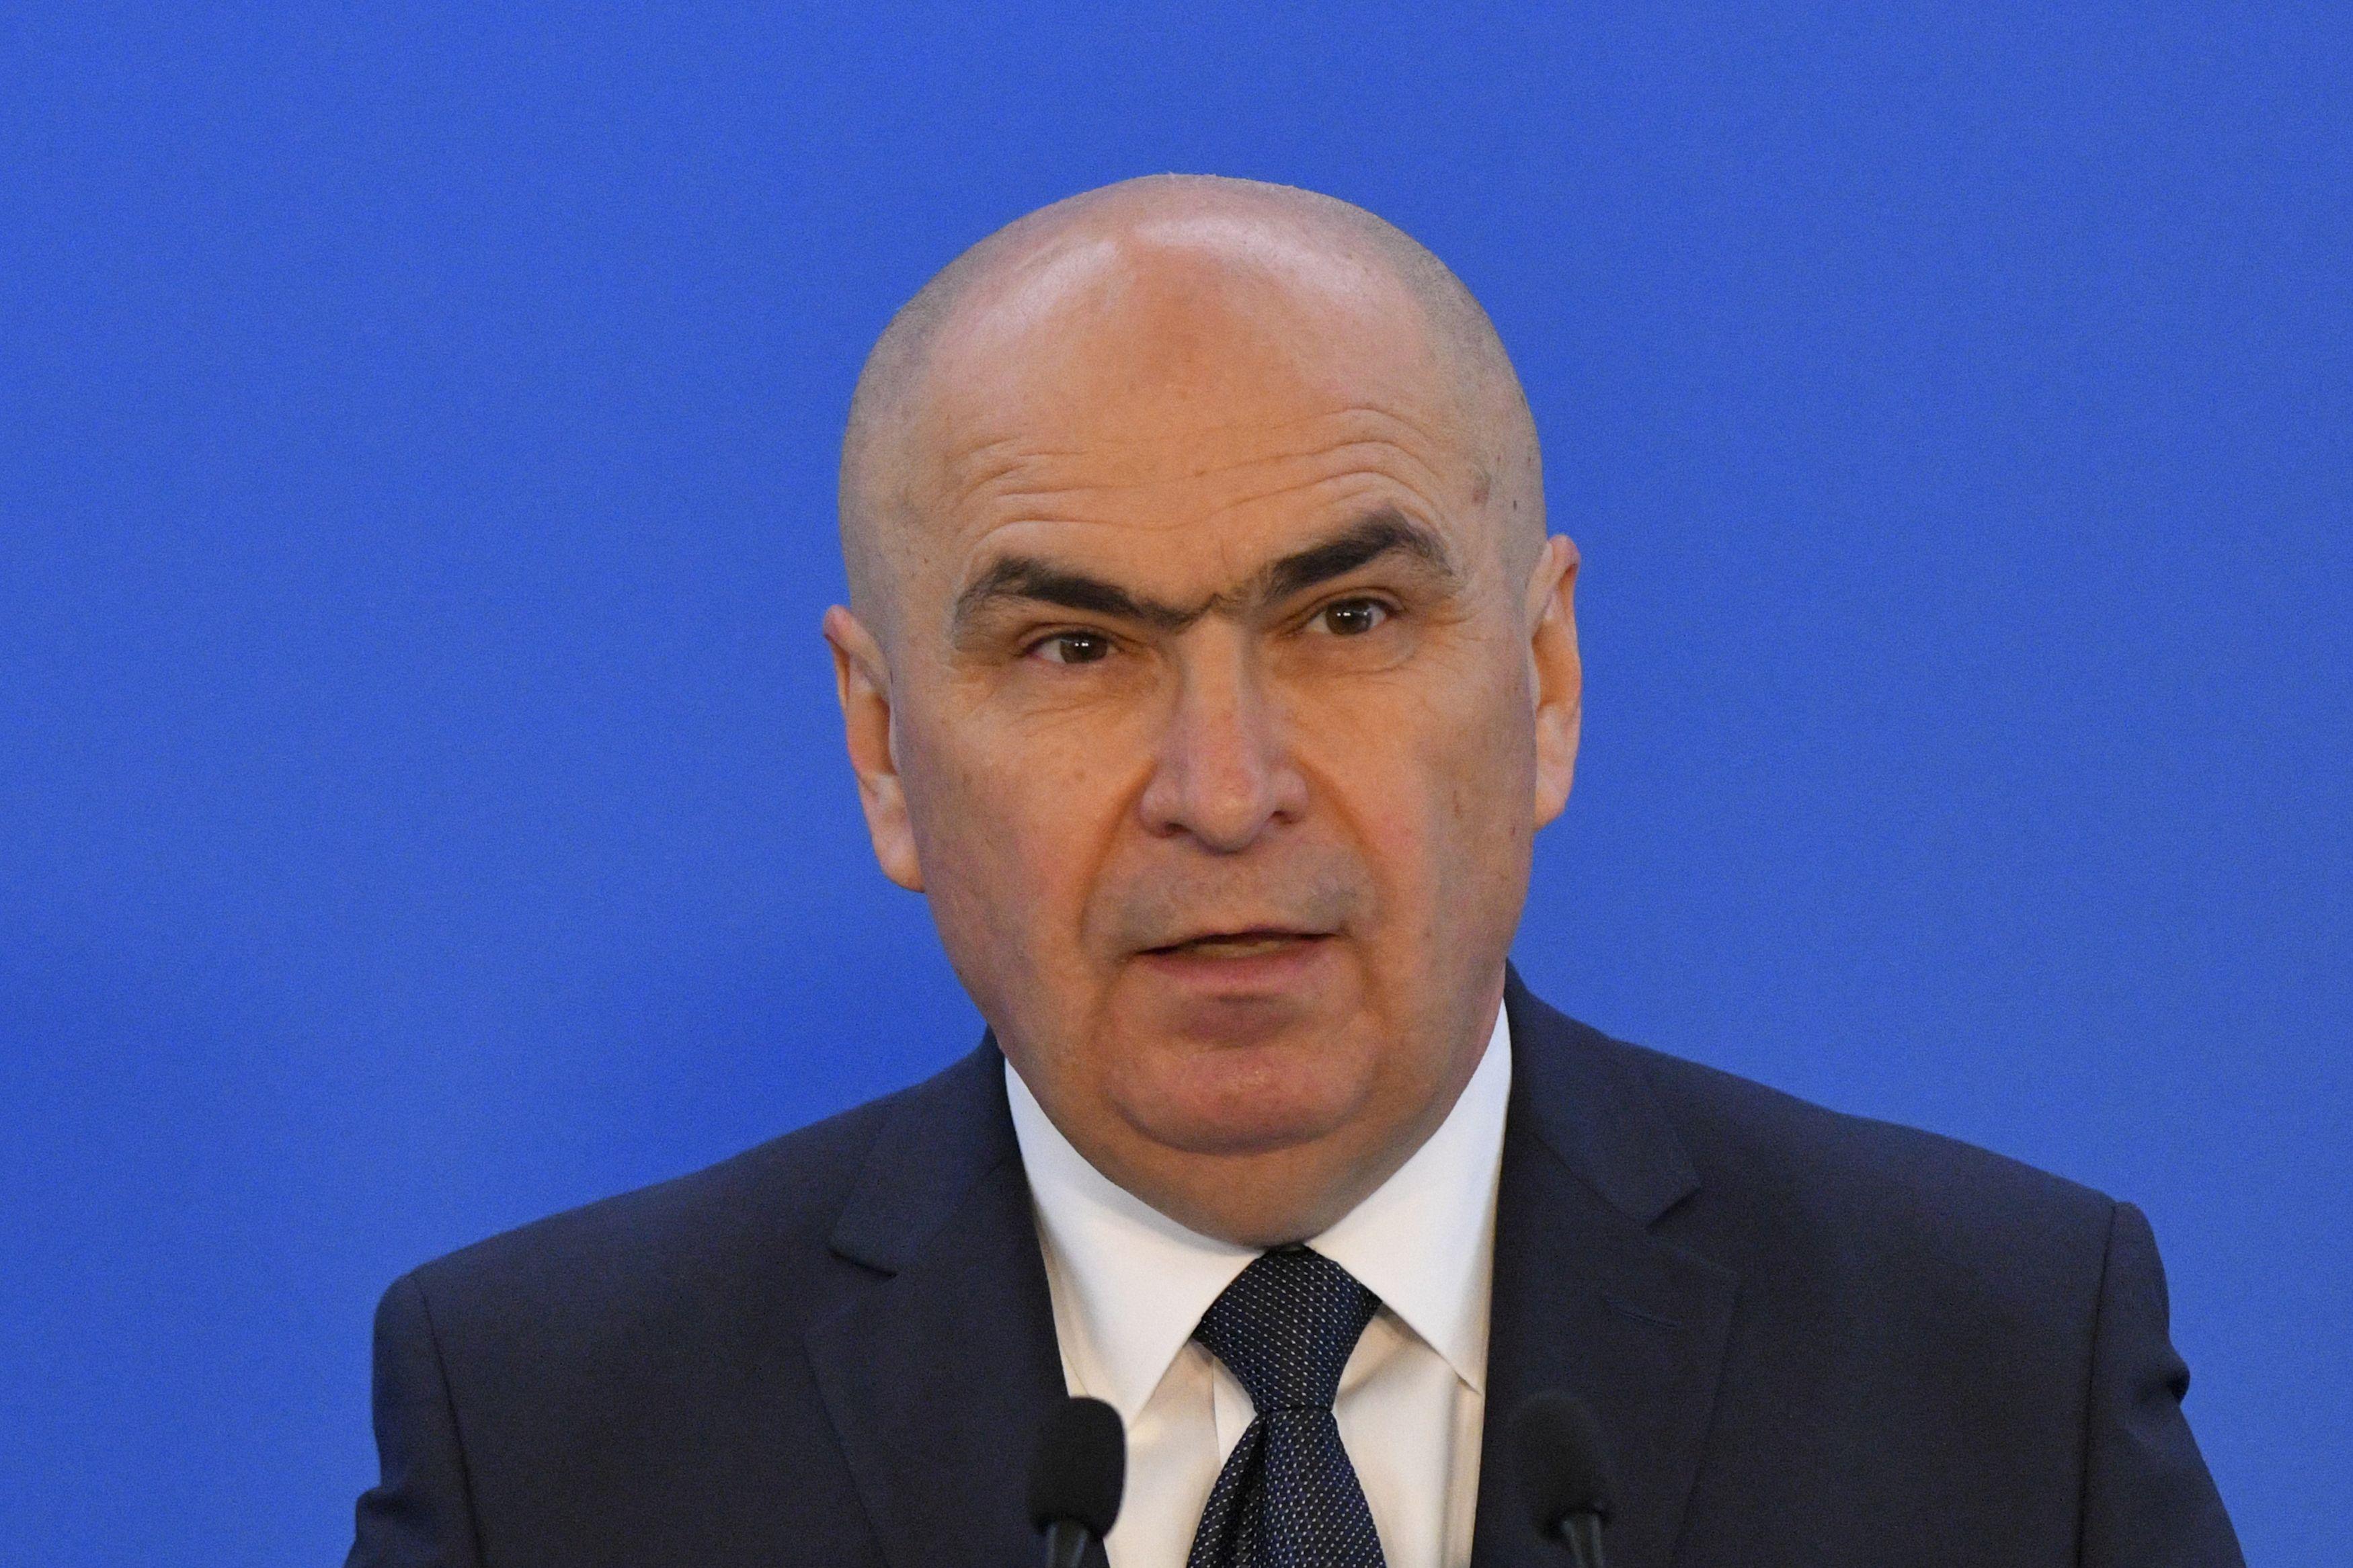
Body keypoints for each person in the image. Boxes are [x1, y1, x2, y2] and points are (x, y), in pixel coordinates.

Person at [346, 176, 2242, 1568]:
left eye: (1346, 619)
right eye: (1075, 649)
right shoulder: (555, 1441)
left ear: (1544, 682)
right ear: (882, 748)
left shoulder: (1994, 1370)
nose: (1225, 791)